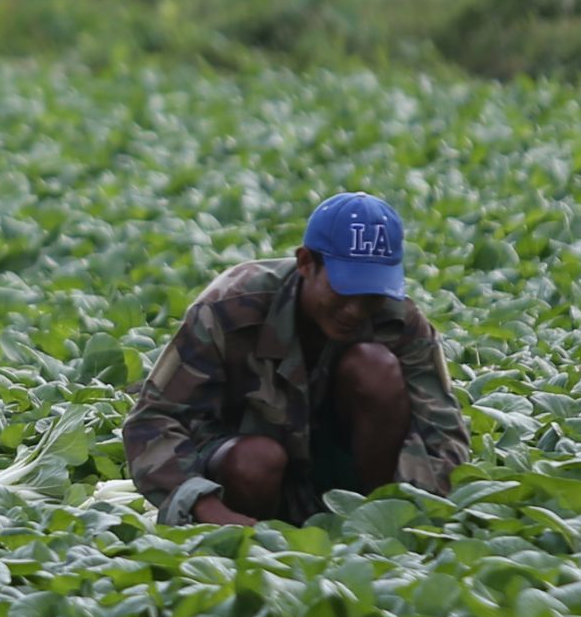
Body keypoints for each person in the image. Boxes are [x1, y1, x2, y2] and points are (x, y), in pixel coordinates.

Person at [122, 192, 470, 527]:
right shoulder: (230, 307)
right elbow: (152, 420)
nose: (355, 309)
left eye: (371, 294)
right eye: (345, 289)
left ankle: (372, 512)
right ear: (306, 263)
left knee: (374, 367)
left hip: (344, 476)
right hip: (243, 475)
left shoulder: (401, 321)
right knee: (257, 460)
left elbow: (444, 431)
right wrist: (204, 506)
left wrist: (411, 515)